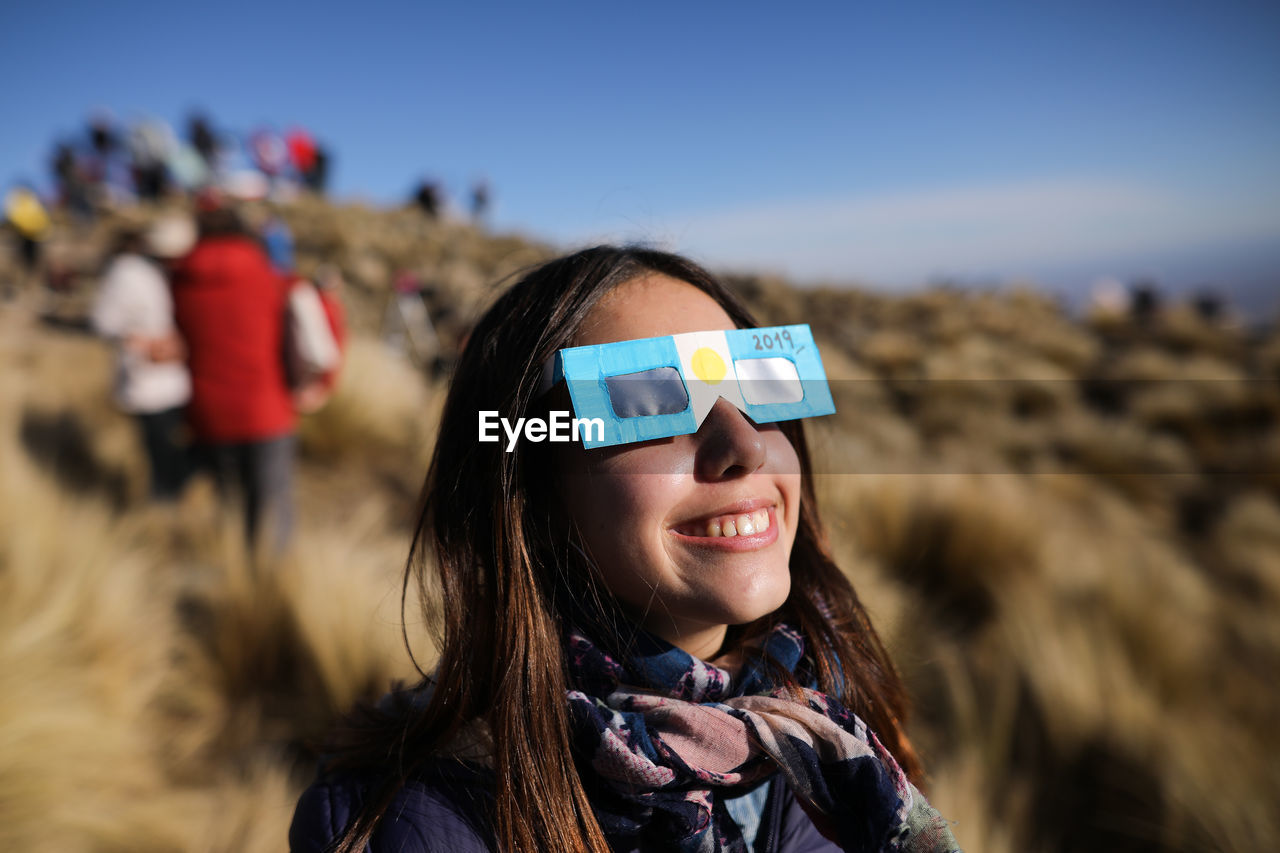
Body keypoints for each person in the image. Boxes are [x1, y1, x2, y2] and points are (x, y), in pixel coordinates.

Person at [289, 246, 962, 852]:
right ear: (532, 496)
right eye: (648, 401)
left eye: (760, 386)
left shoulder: (840, 740)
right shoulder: (407, 828)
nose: (746, 444)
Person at [170, 198, 297, 554]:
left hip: (207, 412)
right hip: (265, 408)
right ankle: (270, 590)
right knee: (273, 507)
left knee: (229, 502)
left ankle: (232, 572)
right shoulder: (268, 277)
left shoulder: (178, 279)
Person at [90, 215, 196, 501]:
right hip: (147, 379)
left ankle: (174, 500)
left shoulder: (174, 273)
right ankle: (164, 507)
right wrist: (140, 342)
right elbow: (104, 322)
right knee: (160, 449)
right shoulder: (127, 273)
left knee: (175, 447)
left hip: (177, 377)